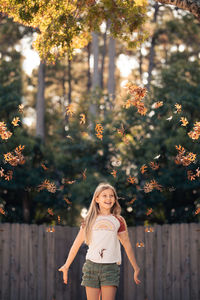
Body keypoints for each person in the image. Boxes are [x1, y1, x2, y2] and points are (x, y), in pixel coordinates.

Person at [58, 182, 141, 300]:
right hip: (91, 267)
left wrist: (136, 268)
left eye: (111, 196)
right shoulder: (89, 220)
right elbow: (76, 244)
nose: (108, 198)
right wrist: (66, 266)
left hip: (110, 268)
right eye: (104, 195)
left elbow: (127, 245)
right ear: (97, 199)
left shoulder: (118, 220)